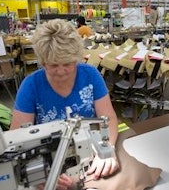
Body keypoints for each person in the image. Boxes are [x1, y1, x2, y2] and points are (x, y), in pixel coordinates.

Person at [10, 19, 119, 190]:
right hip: (48, 162)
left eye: (68, 64)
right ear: (42, 62)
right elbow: (16, 139)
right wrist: (38, 175)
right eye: (53, 65)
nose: (61, 72)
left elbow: (109, 118)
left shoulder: (90, 75)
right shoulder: (31, 86)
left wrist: (107, 149)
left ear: (77, 58)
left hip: (88, 155)